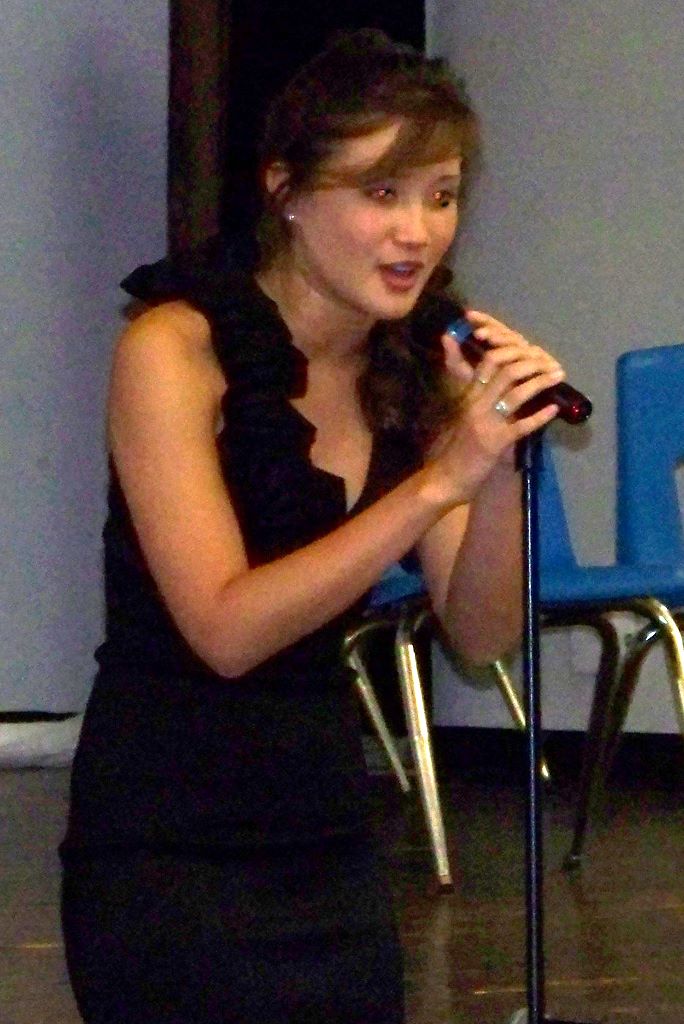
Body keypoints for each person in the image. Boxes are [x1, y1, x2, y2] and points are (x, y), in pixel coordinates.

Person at [60, 28, 565, 1024]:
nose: (417, 232)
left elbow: (481, 634)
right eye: (382, 193)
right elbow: (225, 628)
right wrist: (435, 485)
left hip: (324, 830)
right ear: (286, 190)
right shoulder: (176, 349)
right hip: (165, 839)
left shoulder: (414, 366)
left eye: (442, 195)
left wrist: (501, 459)